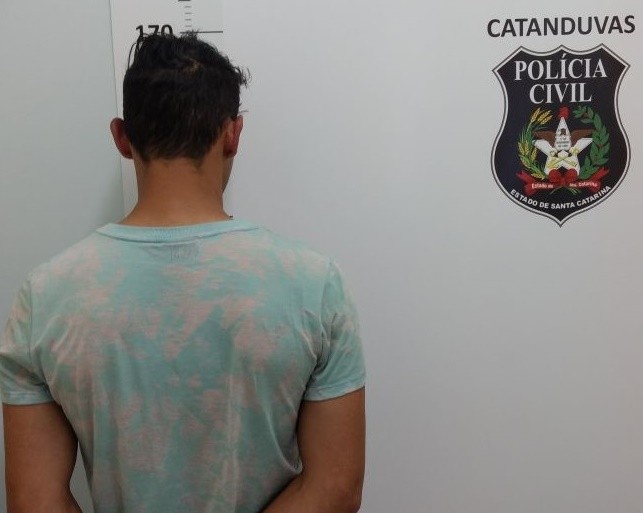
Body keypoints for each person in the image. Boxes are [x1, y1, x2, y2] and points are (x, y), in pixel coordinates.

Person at [0, 33, 365, 513]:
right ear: (233, 134)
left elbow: (35, 502)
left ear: (122, 137)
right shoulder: (314, 284)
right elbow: (335, 488)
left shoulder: (46, 296)